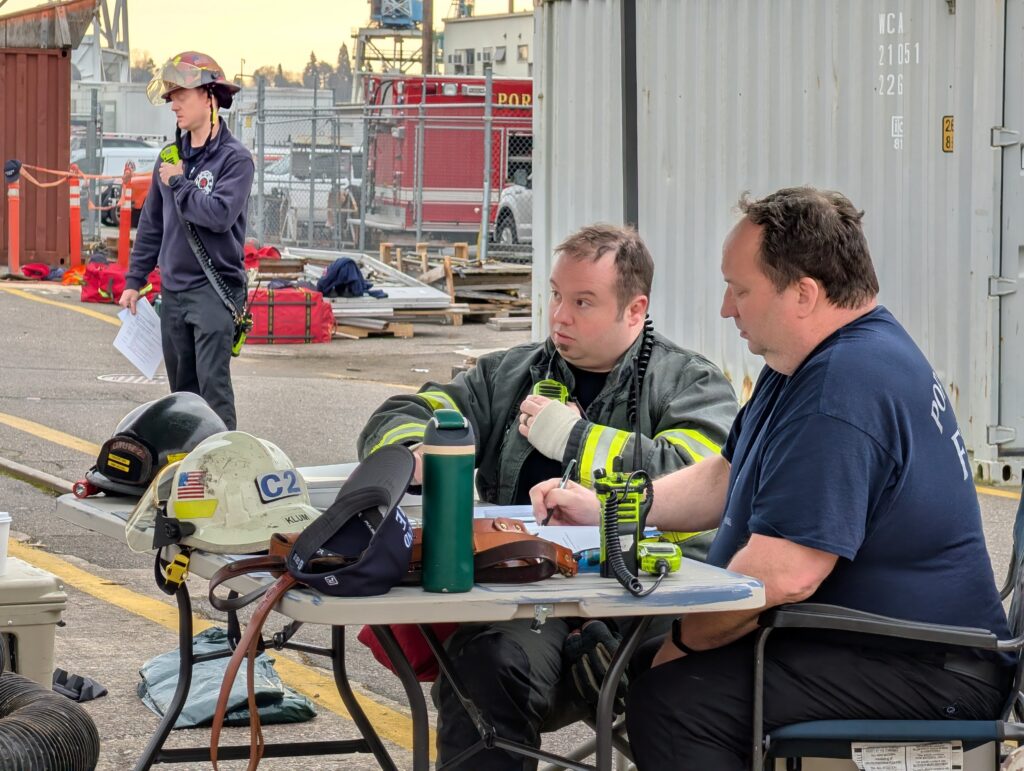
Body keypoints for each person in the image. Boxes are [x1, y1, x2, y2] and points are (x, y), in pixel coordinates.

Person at [534, 188, 1014, 770]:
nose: (726, 308)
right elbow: (725, 477)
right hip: (877, 646)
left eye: (739, 290)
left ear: (803, 294)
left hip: (926, 669)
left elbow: (784, 575)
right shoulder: (809, 361)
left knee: (674, 702)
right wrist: (609, 509)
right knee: (640, 667)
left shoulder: (843, 386)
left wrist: (683, 641)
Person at [357, 223, 738, 769]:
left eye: (583, 302)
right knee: (485, 667)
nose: (559, 316)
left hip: (645, 603)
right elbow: (405, 411)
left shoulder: (689, 383)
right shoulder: (508, 376)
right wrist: (415, 451)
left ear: (635, 310)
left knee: (691, 689)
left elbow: (700, 477)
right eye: (556, 295)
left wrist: (574, 438)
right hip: (531, 604)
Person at [120, 52, 253, 430]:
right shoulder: (169, 156)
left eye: (181, 95)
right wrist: (134, 281)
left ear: (209, 98)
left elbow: (219, 216)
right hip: (173, 294)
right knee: (182, 397)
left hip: (214, 293)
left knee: (213, 392)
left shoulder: (235, 160)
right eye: (171, 97)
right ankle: (188, 462)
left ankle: (224, 459)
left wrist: (180, 182)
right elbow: (152, 225)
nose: (174, 104)